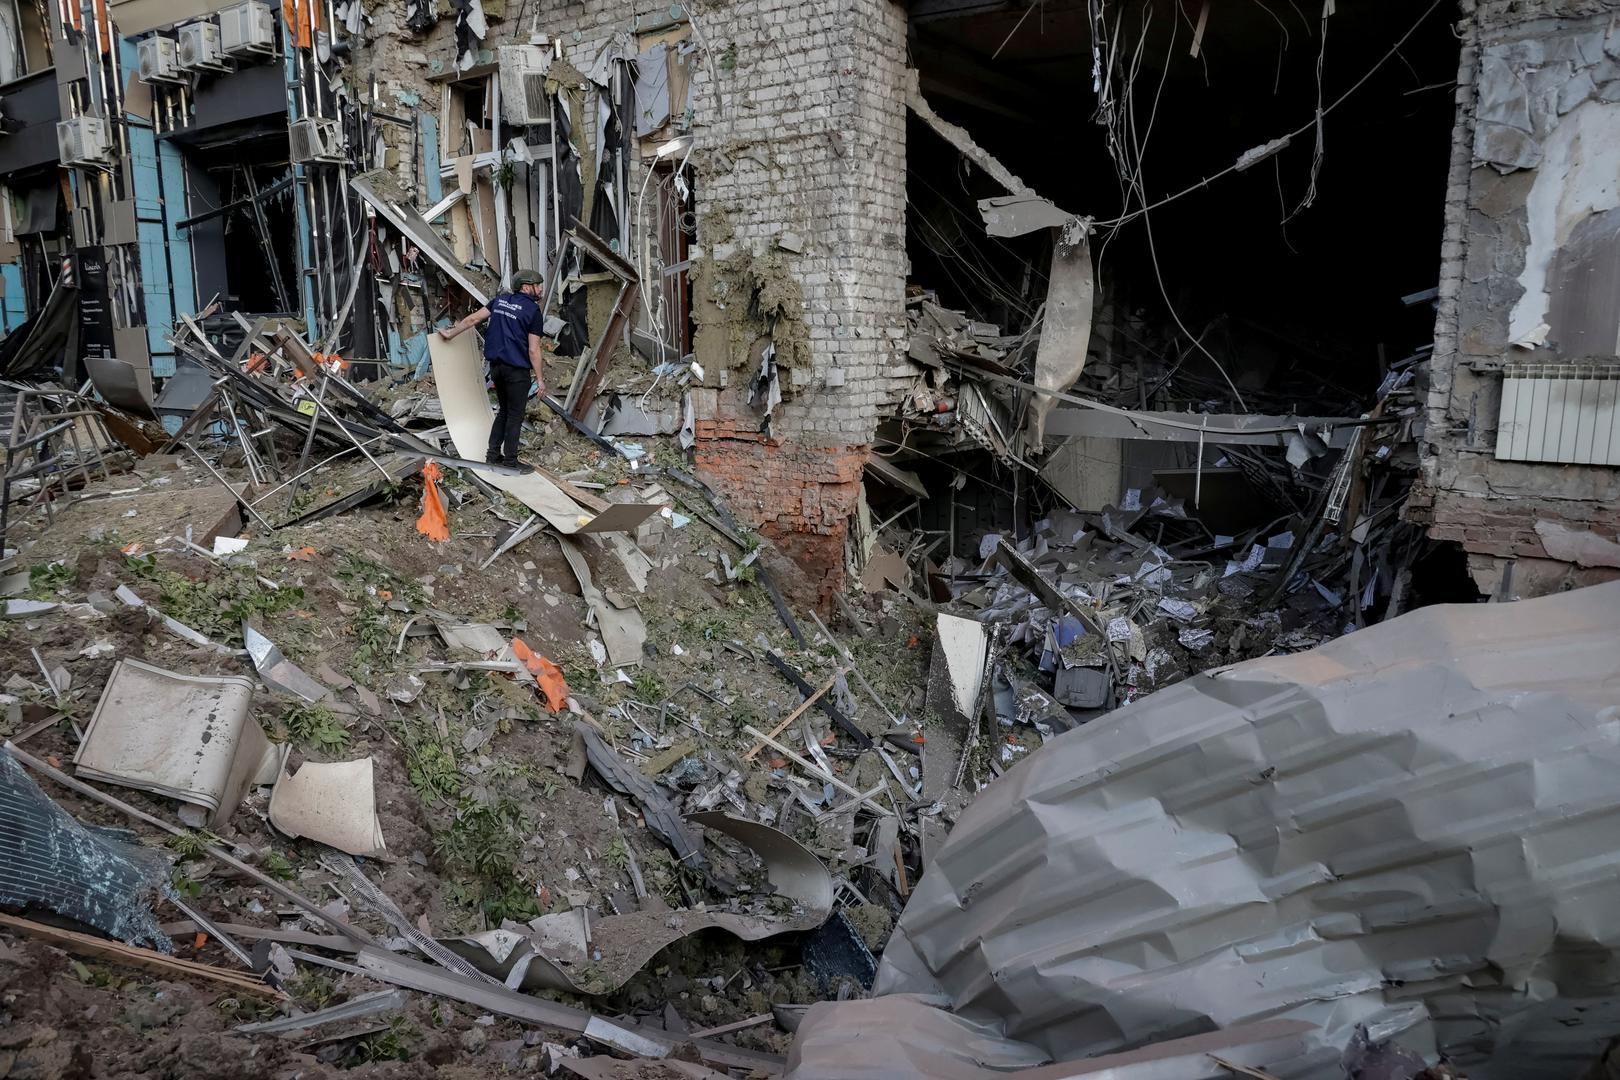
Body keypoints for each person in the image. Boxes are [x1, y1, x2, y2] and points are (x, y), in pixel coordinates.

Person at [438, 270, 549, 469]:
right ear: (526, 287)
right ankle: (510, 462)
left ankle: (492, 455)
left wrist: (450, 334)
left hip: (496, 369)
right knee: (515, 415)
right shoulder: (533, 311)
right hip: (516, 372)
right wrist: (540, 379)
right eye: (538, 285)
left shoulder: (500, 300)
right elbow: (533, 349)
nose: (541, 289)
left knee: (504, 411)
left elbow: (473, 319)